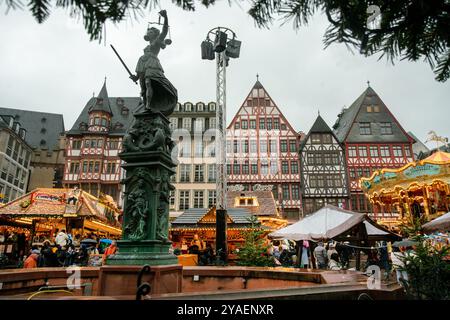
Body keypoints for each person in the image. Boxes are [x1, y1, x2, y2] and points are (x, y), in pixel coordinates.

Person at [130, 10, 177, 115]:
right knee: (143, 88)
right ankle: (147, 107)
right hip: (142, 63)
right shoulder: (146, 47)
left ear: (155, 34)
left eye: (150, 32)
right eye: (148, 32)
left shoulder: (157, 41)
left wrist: (165, 17)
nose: (148, 33)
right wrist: (136, 77)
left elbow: (164, 31)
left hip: (152, 63)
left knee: (149, 82)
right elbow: (138, 75)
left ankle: (149, 106)